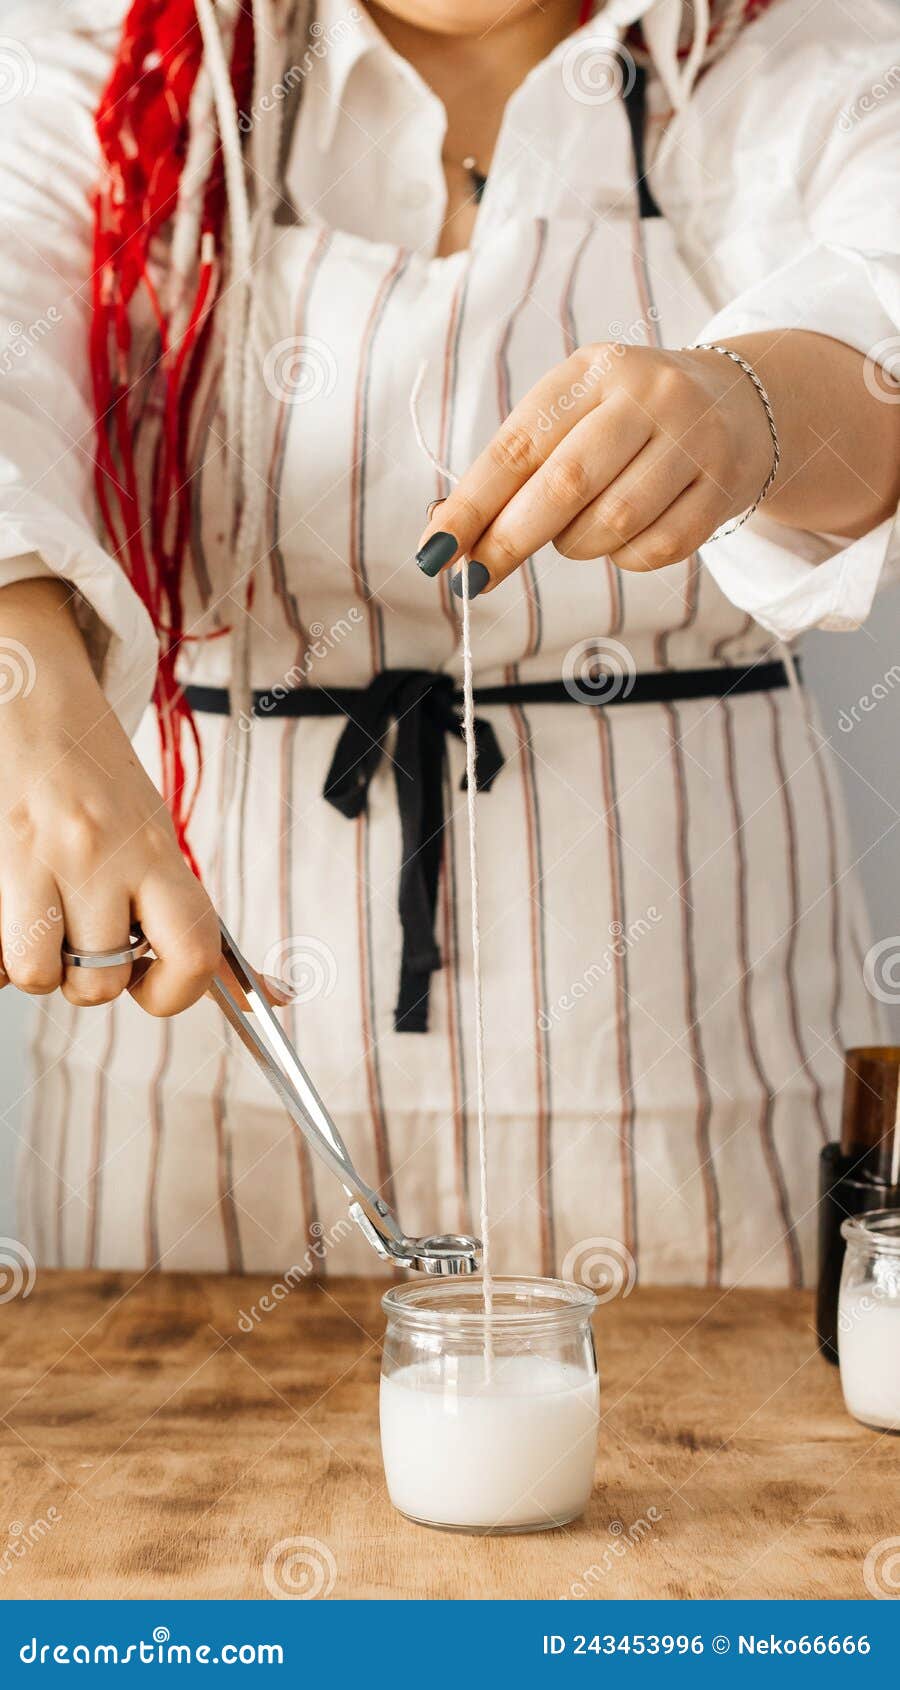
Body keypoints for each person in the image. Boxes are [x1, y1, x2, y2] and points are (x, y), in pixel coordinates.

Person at [1, 0, 898, 1285]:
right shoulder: (117, 47)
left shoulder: (773, 46)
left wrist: (746, 409)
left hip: (695, 1039)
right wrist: (30, 700)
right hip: (197, 1059)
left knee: (718, 1467)